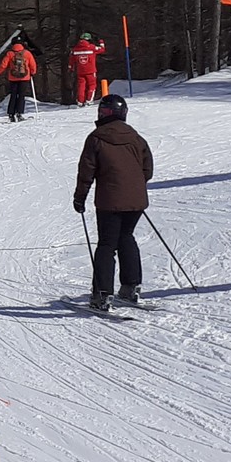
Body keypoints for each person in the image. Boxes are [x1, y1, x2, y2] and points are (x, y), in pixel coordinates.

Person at [74, 91, 154, 311]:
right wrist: (133, 187)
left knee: (107, 245)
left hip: (110, 200)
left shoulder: (97, 138)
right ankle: (131, 286)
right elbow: (147, 169)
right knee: (126, 237)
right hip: (136, 200)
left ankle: (102, 294)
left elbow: (86, 172)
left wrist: (79, 198)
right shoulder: (136, 137)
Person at [0, 34, 38, 122]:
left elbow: (3, 65)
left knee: (13, 95)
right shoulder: (27, 53)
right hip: (24, 78)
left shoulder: (10, 53)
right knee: (21, 96)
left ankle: (11, 114)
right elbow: (33, 65)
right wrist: (32, 73)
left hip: (13, 78)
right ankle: (19, 113)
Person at [68, 33, 106, 106]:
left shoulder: (75, 49)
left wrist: (71, 68)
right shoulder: (91, 47)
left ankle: (80, 101)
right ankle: (89, 100)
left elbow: (71, 61)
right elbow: (102, 49)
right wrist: (101, 41)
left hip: (80, 71)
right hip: (91, 71)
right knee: (92, 85)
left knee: (81, 86)